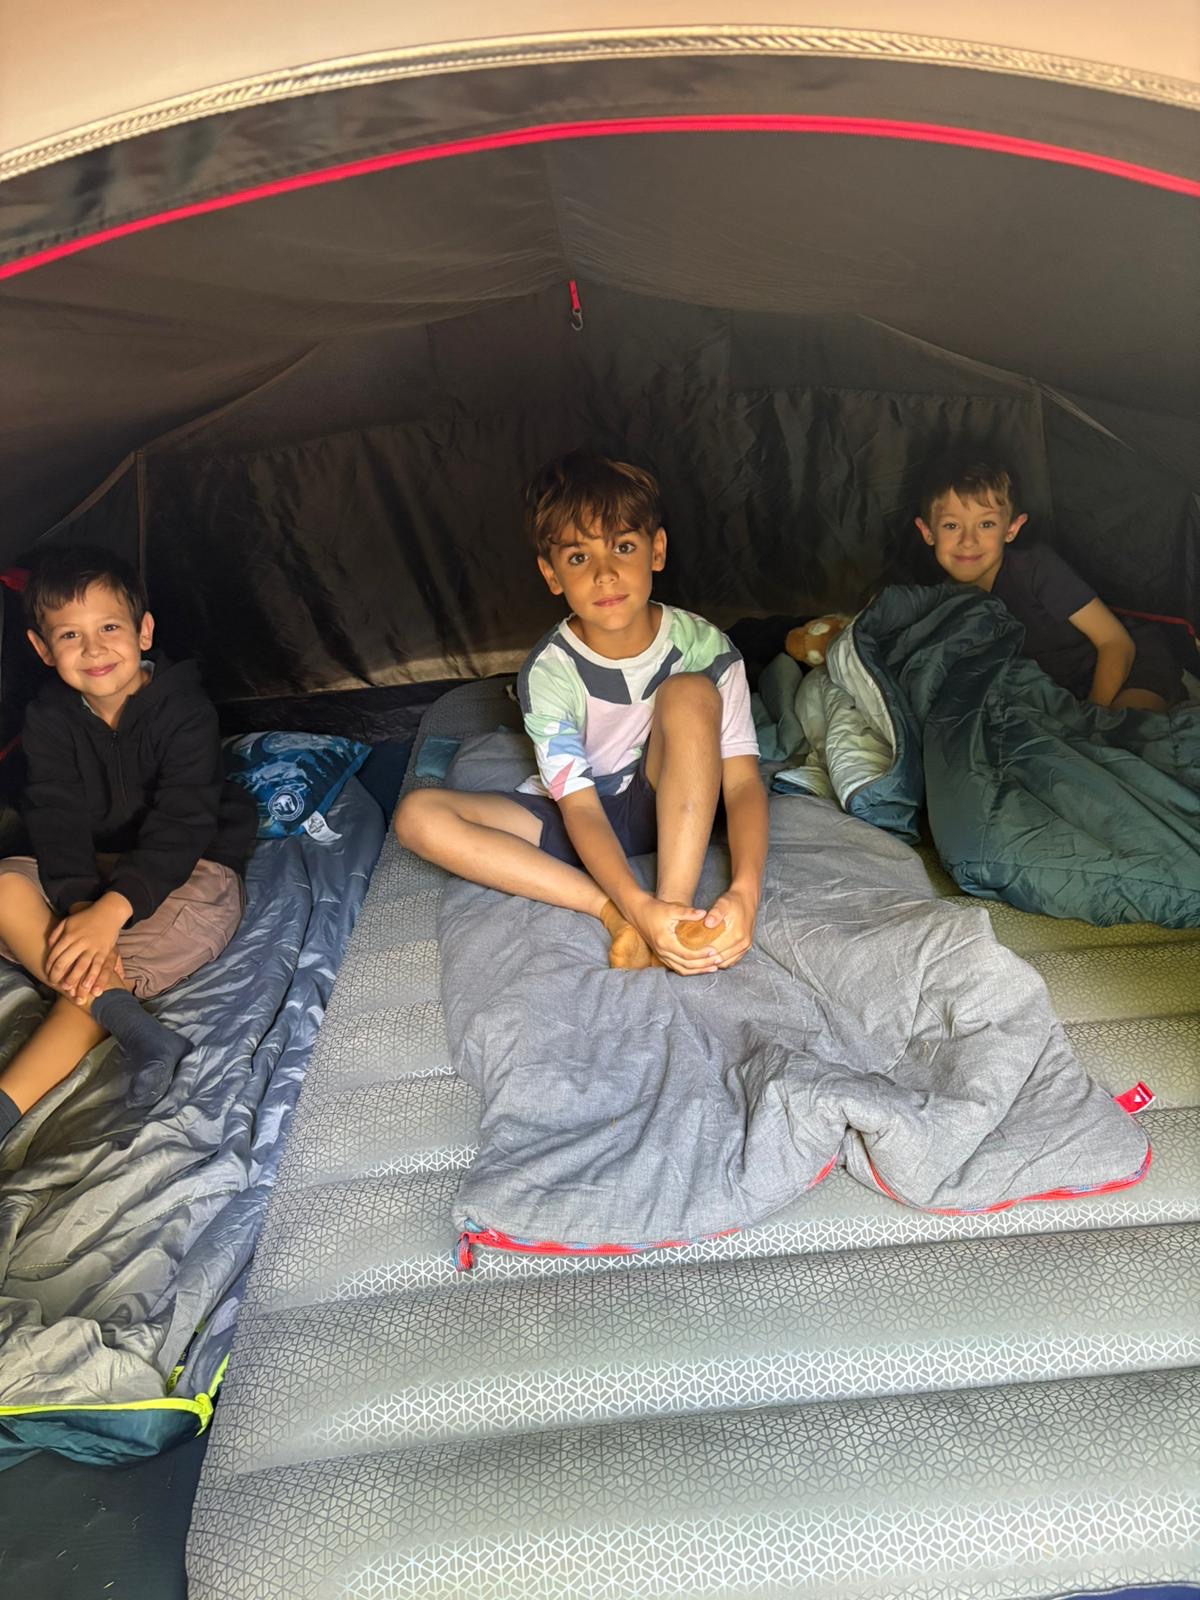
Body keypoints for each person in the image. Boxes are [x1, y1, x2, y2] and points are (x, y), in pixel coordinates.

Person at [395, 452, 768, 974]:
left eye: (623, 547)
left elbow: (743, 783)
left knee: (688, 692)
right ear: (551, 575)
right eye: (577, 558)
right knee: (417, 816)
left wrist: (745, 892)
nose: (605, 574)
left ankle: (672, 912)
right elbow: (581, 809)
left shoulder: (706, 647)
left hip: (674, 805)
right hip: (581, 815)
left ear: (657, 550)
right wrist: (632, 906)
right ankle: (618, 913)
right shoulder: (548, 671)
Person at [0, 546, 257, 1148]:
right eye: (70, 635)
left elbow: (184, 822)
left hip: (189, 870)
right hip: (93, 870)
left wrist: (110, 914)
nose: (93, 650)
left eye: (109, 628)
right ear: (42, 648)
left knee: (87, 971)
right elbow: (55, 819)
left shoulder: (184, 710)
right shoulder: (48, 717)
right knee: (11, 892)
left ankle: (10, 1102)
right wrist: (80, 911)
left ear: (143, 631)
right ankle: (133, 1023)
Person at [916, 459, 1183, 711]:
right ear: (928, 532)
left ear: (1012, 529)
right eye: (951, 526)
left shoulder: (1035, 569)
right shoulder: (942, 601)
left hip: (1129, 664)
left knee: (1123, 733)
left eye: (986, 524)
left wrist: (1092, 715)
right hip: (1062, 689)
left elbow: (1115, 642)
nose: (968, 541)